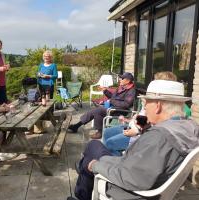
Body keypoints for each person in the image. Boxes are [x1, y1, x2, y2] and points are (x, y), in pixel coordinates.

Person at [67, 79, 199, 200]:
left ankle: (82, 189)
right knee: (93, 147)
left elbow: (132, 178)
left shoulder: (159, 138)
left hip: (127, 190)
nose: (145, 107)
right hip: (142, 172)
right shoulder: (189, 127)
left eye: (146, 103)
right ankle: (83, 169)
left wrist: (97, 165)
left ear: (158, 105)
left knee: (92, 151)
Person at [102, 71, 182, 156]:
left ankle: (116, 161)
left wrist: (137, 131)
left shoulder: (166, 109)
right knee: (107, 132)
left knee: (110, 143)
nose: (153, 84)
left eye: (156, 81)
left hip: (139, 133)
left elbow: (154, 126)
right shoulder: (159, 103)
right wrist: (129, 120)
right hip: (135, 126)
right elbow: (145, 118)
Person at [68, 72, 136, 139]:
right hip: (113, 107)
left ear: (128, 81)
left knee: (98, 110)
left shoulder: (131, 91)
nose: (120, 79)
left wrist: (112, 101)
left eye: (122, 78)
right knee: (96, 110)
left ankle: (98, 132)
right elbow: (113, 97)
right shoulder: (121, 87)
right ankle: (77, 126)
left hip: (120, 111)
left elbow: (126, 104)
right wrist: (105, 91)